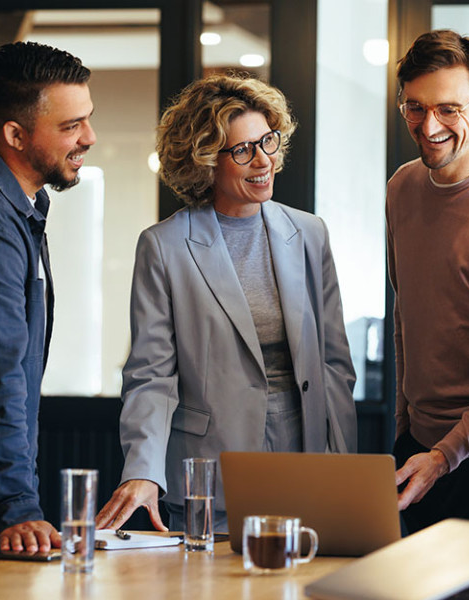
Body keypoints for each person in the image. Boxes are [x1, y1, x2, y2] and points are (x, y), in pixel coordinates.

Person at [95, 74, 357, 533]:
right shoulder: (165, 246)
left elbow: (335, 364)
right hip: (209, 468)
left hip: (306, 459)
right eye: (242, 150)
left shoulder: (309, 233)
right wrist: (143, 469)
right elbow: (150, 375)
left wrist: (343, 467)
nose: (263, 161)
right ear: (205, 161)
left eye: (268, 142)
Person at [0, 42, 96, 557]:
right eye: (70, 126)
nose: (89, 138)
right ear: (14, 134)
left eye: (88, 119)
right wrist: (15, 507)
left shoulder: (14, 200)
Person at [387, 29, 469, 533]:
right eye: (415, 108)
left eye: (449, 109)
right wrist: (406, 435)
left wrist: (444, 456)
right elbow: (406, 318)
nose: (429, 126)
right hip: (416, 451)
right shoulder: (401, 188)